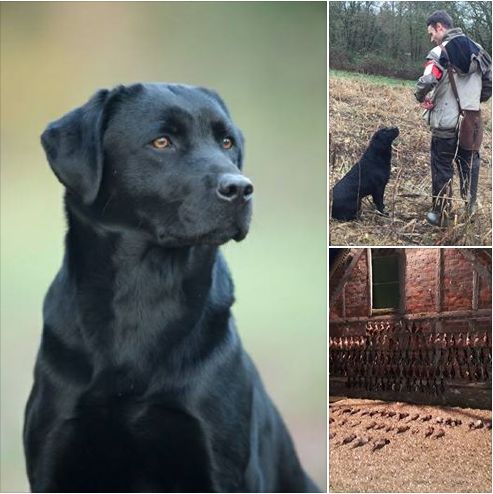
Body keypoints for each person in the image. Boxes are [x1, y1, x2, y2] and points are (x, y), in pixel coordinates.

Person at [415, 10, 491, 227]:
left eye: (432, 33)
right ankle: (469, 210)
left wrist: (419, 95)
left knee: (442, 166)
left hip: (446, 122)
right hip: (471, 121)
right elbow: (489, 83)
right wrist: (474, 102)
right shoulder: (480, 51)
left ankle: (441, 214)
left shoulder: (439, 53)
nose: (432, 38)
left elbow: (427, 80)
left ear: (440, 27)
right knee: (469, 165)